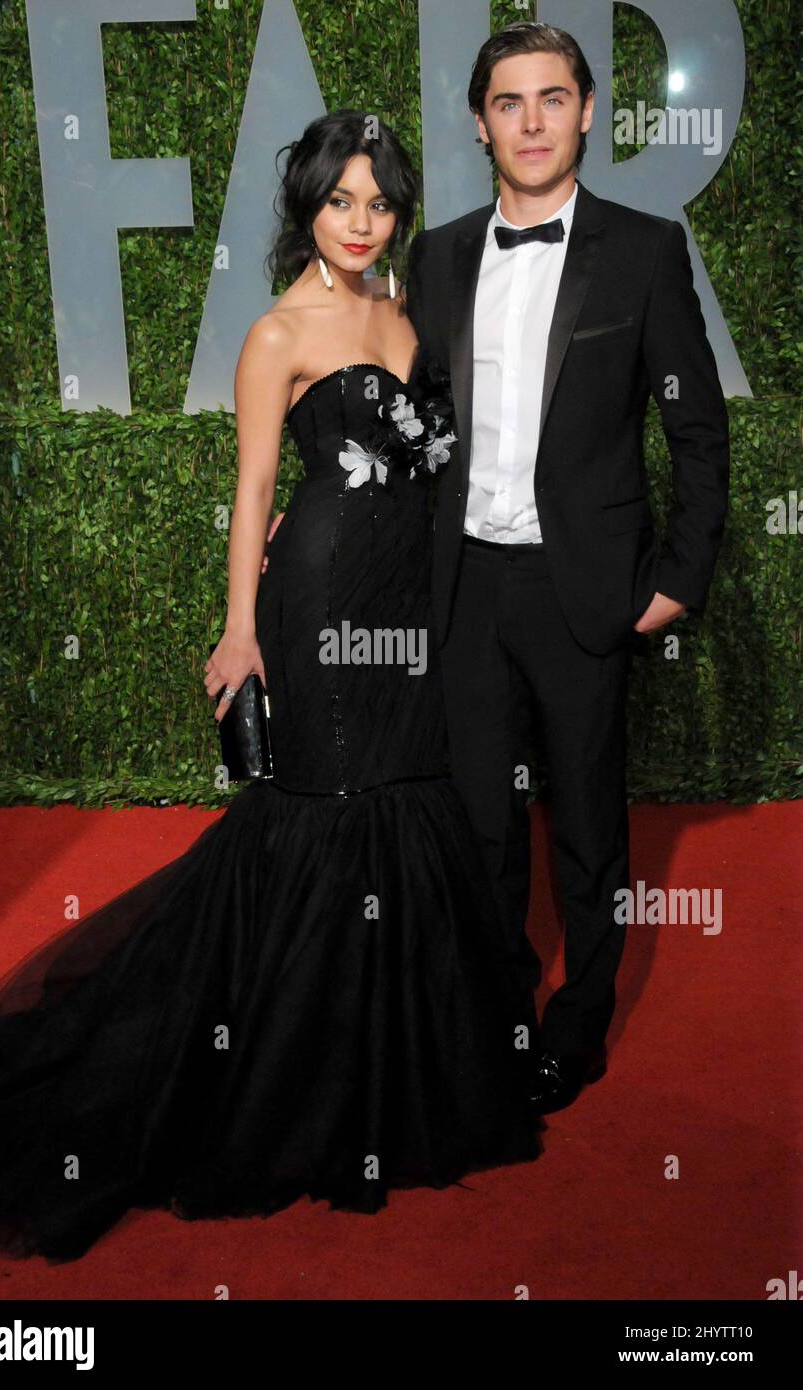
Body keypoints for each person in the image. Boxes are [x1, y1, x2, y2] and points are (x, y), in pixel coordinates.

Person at [0, 111, 542, 1264]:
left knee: (408, 794)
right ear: (306, 210)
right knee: (324, 810)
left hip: (408, 599)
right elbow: (255, 484)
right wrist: (239, 632)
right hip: (316, 597)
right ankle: (280, 1091)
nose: (360, 223)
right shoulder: (278, 334)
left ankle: (389, 1086)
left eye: (378, 203)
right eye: (339, 202)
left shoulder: (406, 317)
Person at [405, 22, 730, 1114]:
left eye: (553, 98)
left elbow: (696, 426)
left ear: (587, 111)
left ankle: (575, 1025)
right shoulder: (438, 252)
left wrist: (678, 576)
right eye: (509, 101)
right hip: (464, 589)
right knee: (483, 828)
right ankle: (494, 1019)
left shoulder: (641, 248)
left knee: (586, 827)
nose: (532, 121)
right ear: (478, 121)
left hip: (581, 587)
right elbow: (414, 428)